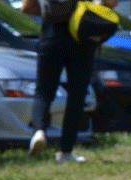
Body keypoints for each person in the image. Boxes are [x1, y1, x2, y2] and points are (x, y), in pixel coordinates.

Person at [22, 0, 115, 163]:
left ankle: (39, 132)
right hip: (82, 39)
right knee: (76, 96)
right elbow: (111, 3)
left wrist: (51, 14)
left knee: (43, 91)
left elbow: (26, 7)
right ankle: (65, 151)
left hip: (50, 37)